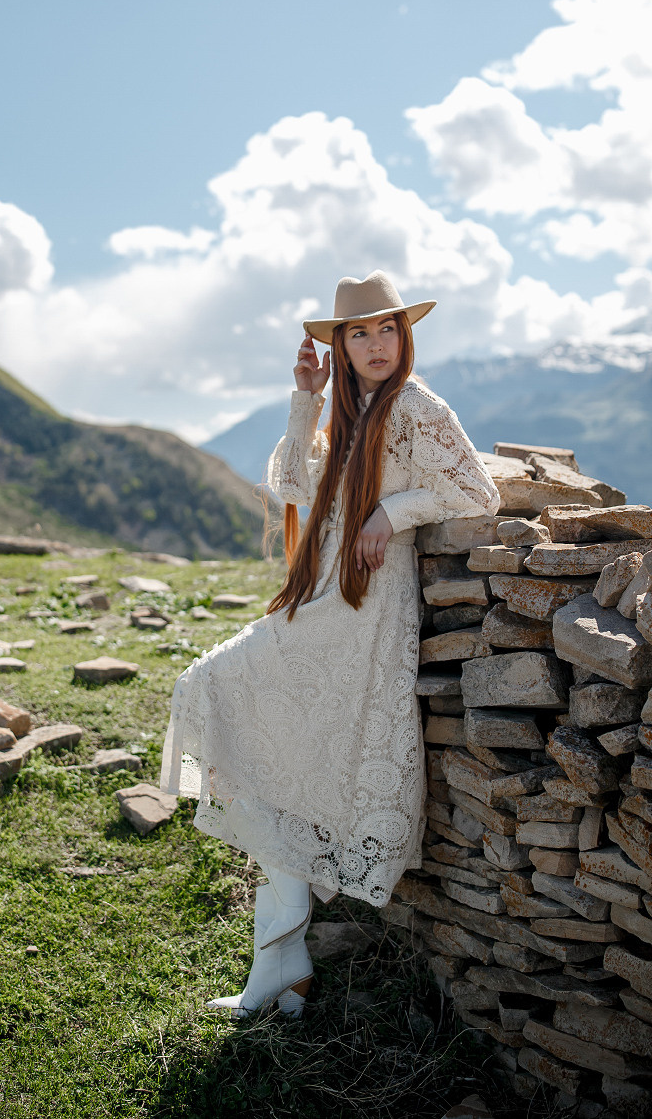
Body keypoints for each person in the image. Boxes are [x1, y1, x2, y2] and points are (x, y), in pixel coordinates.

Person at [160, 271, 499, 1017]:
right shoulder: (349, 409)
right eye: (359, 332)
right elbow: (289, 482)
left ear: (403, 337)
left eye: (387, 330)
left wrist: (394, 511)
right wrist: (306, 398)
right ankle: (281, 964)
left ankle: (278, 970)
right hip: (323, 601)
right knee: (232, 712)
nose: (377, 344)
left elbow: (479, 492)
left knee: (237, 710)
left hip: (366, 612)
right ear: (339, 346)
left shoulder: (415, 404)